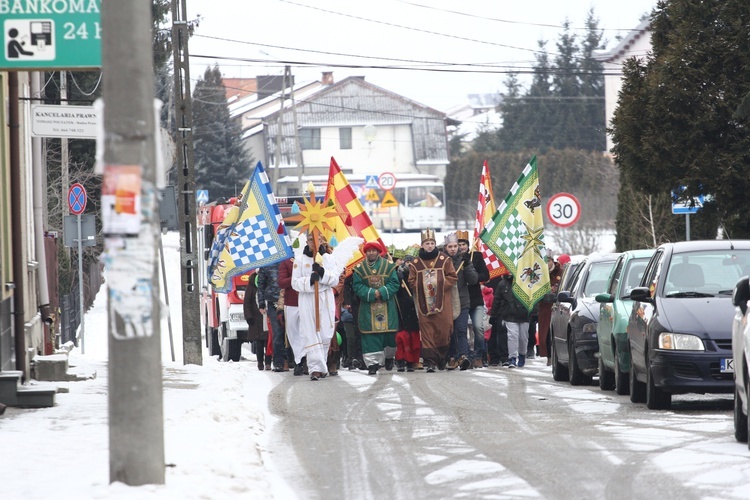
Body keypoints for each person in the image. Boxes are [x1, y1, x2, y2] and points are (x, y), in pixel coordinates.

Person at [291, 233, 355, 381]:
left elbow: (334, 279)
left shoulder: (328, 259)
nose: (314, 242)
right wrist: (310, 281)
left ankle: (322, 365)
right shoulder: (300, 260)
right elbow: (295, 283)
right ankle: (315, 369)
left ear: (321, 241)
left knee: (326, 333)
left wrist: (322, 272)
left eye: (318, 240)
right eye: (311, 240)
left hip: (325, 298)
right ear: (307, 241)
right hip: (307, 299)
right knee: (311, 332)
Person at [408, 228, 458, 372]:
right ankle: (430, 362)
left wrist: (438, 285)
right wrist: (425, 284)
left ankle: (442, 358)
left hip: (443, 302)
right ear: (422, 245)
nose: (429, 245)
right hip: (424, 304)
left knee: (444, 329)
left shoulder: (445, 260)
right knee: (427, 331)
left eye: (431, 243)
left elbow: (453, 277)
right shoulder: (415, 263)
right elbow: (411, 281)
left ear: (435, 244)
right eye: (427, 243)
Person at [352, 240, 400, 375]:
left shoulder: (389, 266)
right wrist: (373, 294)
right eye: (368, 251)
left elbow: (395, 283)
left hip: (387, 305)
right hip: (368, 307)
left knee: (389, 335)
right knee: (370, 336)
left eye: (374, 250)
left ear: (379, 252)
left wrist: (382, 292)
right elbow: (357, 286)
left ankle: (389, 357)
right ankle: (372, 363)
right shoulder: (359, 268)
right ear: (365, 252)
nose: (371, 253)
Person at [444, 232, 479, 371]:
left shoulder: (463, 260)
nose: (453, 249)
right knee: (449, 331)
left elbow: (473, 280)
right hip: (447, 302)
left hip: (462, 301)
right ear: (446, 247)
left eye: (455, 246)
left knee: (461, 329)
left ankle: (463, 356)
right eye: (450, 246)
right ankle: (452, 356)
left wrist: (468, 265)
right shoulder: (442, 261)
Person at [489, 271, 536, 368]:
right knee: (512, 336)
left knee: (523, 338)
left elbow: (533, 298)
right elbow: (497, 299)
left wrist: (534, 313)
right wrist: (493, 314)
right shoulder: (503, 284)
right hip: (509, 315)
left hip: (524, 315)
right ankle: (512, 358)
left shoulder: (526, 282)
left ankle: (522, 354)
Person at [457, 231, 490, 368]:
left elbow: (485, 275)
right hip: (461, 300)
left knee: (478, 328)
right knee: (462, 330)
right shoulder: (452, 259)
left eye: (463, 244)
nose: (461, 247)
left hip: (476, 299)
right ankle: (465, 355)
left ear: (467, 245)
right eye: (459, 244)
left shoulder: (476, 256)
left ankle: (479, 355)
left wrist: (474, 276)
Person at [278, 255, 306, 376]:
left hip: (307, 301)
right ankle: (299, 360)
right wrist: (295, 278)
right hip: (291, 303)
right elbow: (281, 282)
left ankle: (305, 360)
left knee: (306, 332)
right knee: (293, 333)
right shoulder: (286, 262)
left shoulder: (309, 260)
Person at [257, 262, 287, 372]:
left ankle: (292, 360)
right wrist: (261, 303)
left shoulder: (291, 259)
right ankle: (278, 362)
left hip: (290, 300)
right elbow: (261, 285)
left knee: (292, 332)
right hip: (273, 302)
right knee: (277, 332)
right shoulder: (266, 263)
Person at [538, 254, 567, 365]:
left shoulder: (560, 271)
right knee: (545, 333)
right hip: (545, 306)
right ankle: (549, 356)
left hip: (558, 305)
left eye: (548, 261)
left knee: (556, 331)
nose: (547, 263)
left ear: (552, 261)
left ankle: (555, 355)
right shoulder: (539, 273)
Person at [395, 255, 421, 372]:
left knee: (413, 337)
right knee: (402, 337)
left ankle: (412, 361)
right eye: (408, 263)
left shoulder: (418, 274)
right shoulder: (399, 274)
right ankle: (400, 360)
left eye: (412, 263)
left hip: (415, 308)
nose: (410, 265)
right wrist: (398, 278)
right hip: (401, 308)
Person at [242, 270, 271, 370]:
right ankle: (260, 362)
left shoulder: (269, 281)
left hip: (267, 315)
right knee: (259, 342)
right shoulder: (252, 283)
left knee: (268, 340)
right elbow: (247, 302)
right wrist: (248, 316)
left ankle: (268, 362)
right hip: (256, 317)